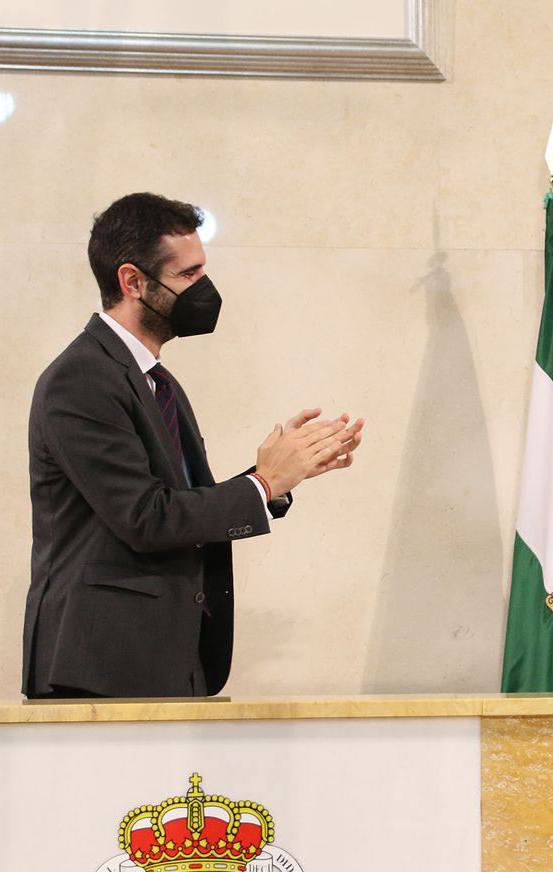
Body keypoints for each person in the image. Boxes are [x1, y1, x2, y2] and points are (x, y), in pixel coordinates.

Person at [22, 192, 363, 698]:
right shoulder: (82, 379)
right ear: (133, 281)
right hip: (100, 669)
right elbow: (145, 517)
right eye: (188, 275)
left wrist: (278, 480)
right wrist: (261, 483)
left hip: (168, 661)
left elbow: (177, 506)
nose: (205, 289)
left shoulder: (158, 381)